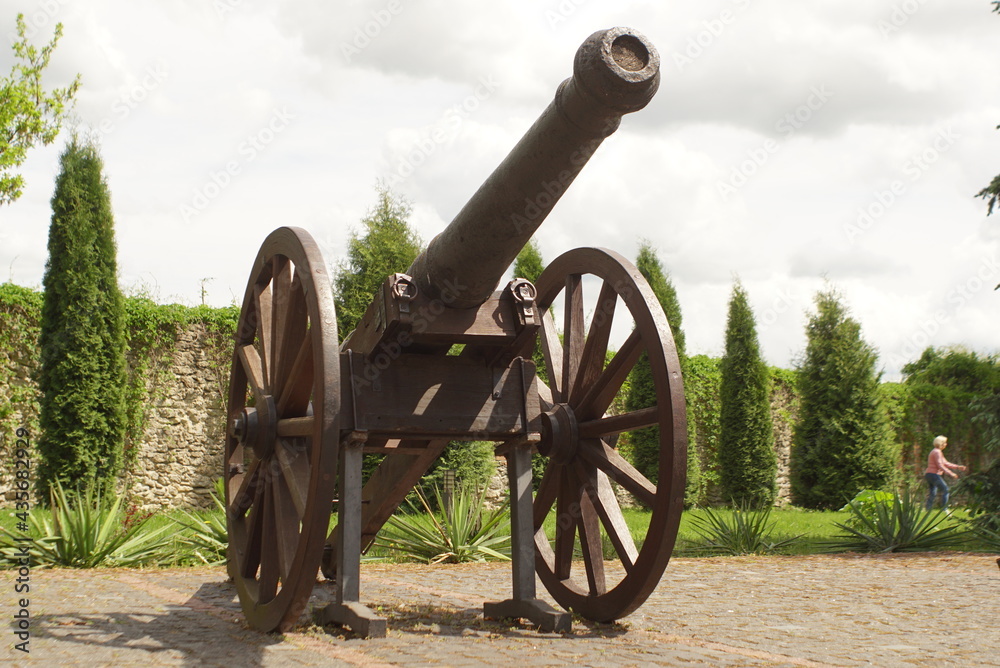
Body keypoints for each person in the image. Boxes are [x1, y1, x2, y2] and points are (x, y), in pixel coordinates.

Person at [924, 435, 966, 511]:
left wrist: (958, 467)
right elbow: (940, 465)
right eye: (945, 443)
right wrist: (951, 473)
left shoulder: (936, 451)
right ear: (941, 443)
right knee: (946, 490)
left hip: (929, 474)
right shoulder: (937, 452)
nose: (946, 444)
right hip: (934, 474)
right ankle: (944, 509)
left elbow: (945, 463)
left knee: (933, 492)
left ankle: (928, 509)